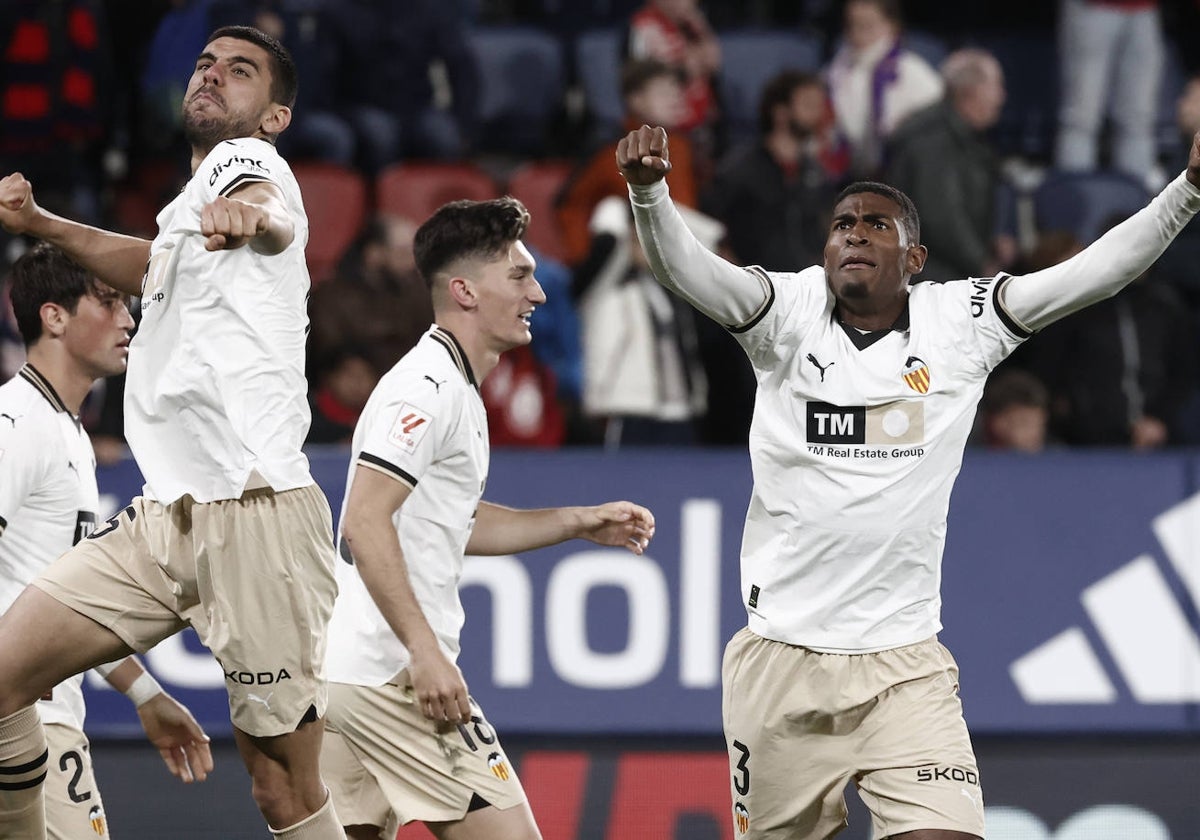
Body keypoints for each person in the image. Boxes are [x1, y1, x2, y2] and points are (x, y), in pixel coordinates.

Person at [616, 123, 1200, 838]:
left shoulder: (961, 322)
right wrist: (649, 194)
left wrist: (1188, 191)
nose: (854, 234)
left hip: (905, 668)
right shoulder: (787, 313)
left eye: (876, 224)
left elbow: (1090, 274)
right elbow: (692, 272)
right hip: (780, 662)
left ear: (915, 258)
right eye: (841, 225)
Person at [0, 25, 343, 839]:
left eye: (241, 72)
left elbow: (271, 213)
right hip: (165, 517)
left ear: (276, 117)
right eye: (204, 64)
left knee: (283, 790)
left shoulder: (248, 168)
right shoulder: (187, 211)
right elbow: (153, 264)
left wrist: (246, 216)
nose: (213, 76)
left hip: (256, 515)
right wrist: (45, 223)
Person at [320, 197, 656, 840]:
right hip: (390, 677)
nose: (538, 293)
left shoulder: (453, 386)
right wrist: (424, 653)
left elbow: (452, 523)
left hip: (347, 674)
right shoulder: (427, 389)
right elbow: (364, 524)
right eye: (520, 276)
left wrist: (576, 522)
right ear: (465, 291)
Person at [0, 243, 213, 838]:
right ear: (54, 316)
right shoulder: (16, 425)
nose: (129, 319)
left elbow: (70, 603)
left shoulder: (64, 431)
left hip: (46, 713)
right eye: (110, 301)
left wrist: (146, 694)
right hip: (25, 721)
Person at [885, 48, 1016, 282]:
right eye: (996, 87)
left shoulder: (967, 135)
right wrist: (981, 264)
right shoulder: (931, 139)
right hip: (930, 277)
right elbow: (942, 218)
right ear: (969, 92)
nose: (1002, 97)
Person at [824, 0, 943, 178]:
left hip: (902, 179)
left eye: (867, 26)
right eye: (851, 25)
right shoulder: (835, 72)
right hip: (849, 178)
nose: (857, 34)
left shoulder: (913, 73)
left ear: (892, 27)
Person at [1054, 0, 1165, 189]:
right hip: (1093, 7)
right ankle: (1075, 204)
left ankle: (1137, 206)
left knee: (1138, 119)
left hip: (1144, 9)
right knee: (1082, 118)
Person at [975, 368, 1050, 452]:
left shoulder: (1057, 456)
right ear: (998, 423)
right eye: (1024, 424)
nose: (1035, 433)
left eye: (1040, 425)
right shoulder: (966, 456)